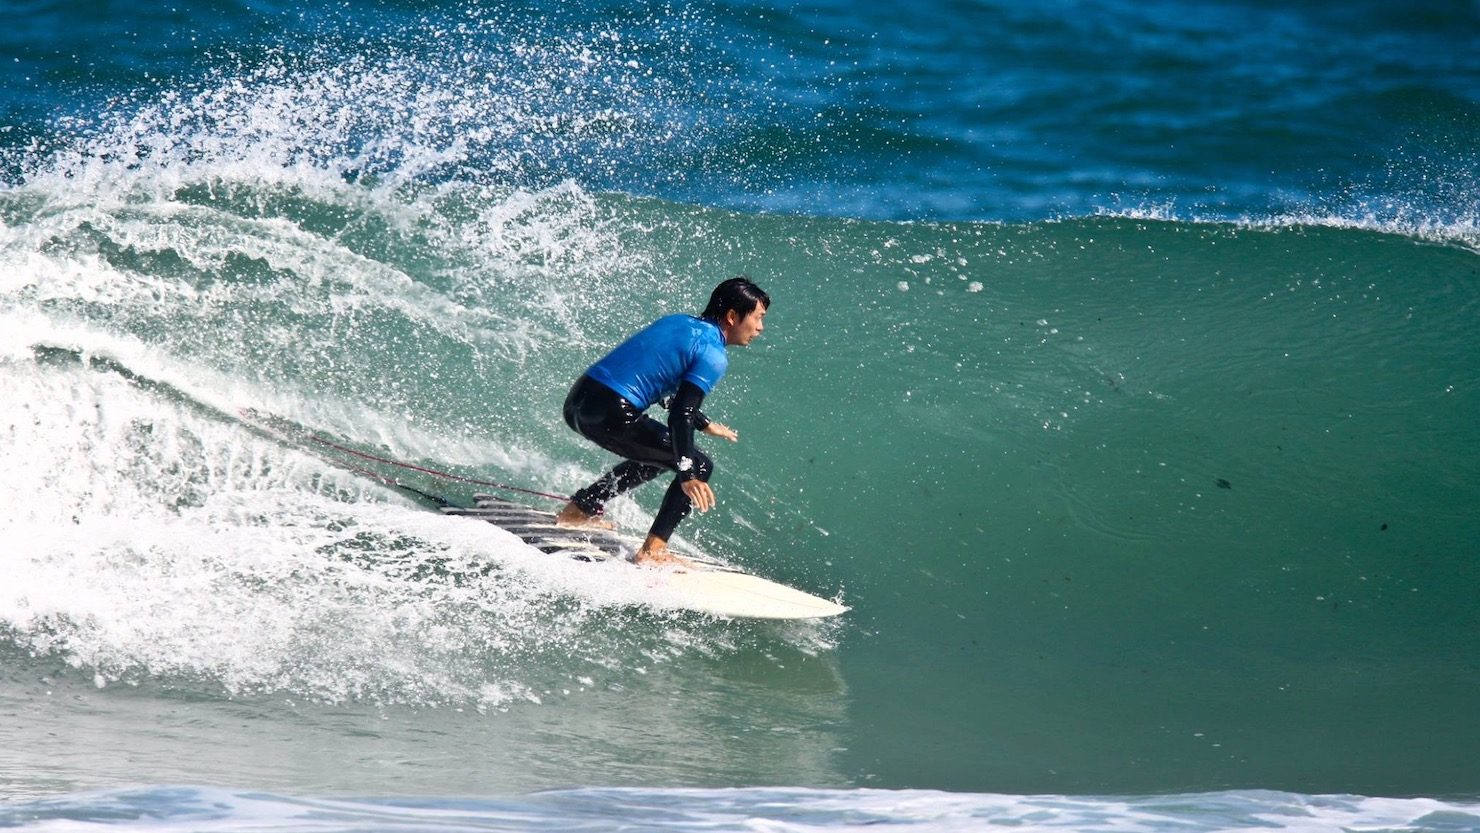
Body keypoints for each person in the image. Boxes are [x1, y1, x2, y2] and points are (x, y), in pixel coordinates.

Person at [557, 277, 769, 566]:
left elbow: (658, 381)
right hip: (612, 413)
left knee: (663, 452)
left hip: (579, 402)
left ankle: (580, 510)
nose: (760, 328)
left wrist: (703, 423)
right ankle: (653, 551)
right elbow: (679, 414)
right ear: (732, 316)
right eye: (758, 318)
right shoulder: (713, 354)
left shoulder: (678, 322)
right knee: (698, 463)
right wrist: (688, 473)